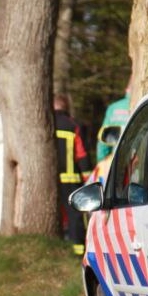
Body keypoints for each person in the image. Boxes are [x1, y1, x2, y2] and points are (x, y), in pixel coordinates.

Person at [54, 94, 92, 255]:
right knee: (75, 216)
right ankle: (78, 251)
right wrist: (88, 177)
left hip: (51, 180)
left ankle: (56, 247)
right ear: (66, 107)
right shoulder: (73, 125)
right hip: (71, 179)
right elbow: (81, 153)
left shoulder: (45, 124)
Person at [96, 89, 131, 162]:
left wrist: (102, 161)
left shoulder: (113, 108)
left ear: (127, 90)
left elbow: (104, 138)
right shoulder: (147, 101)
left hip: (117, 163)